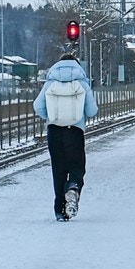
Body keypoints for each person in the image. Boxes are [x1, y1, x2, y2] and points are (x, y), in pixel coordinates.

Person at [33, 52, 98, 221]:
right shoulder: (82, 83)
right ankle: (73, 187)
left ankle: (60, 211)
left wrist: (51, 116)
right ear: (77, 66)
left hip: (54, 131)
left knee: (58, 169)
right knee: (77, 167)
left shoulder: (50, 82)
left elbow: (37, 106)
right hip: (75, 131)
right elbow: (92, 111)